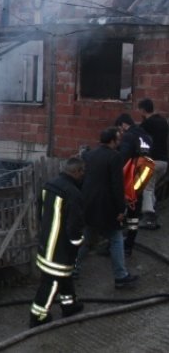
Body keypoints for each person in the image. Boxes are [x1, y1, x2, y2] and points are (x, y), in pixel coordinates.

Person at [76, 127, 137, 289]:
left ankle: (72, 268)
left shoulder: (89, 155)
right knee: (116, 239)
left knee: (88, 238)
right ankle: (121, 276)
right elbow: (117, 185)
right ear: (111, 141)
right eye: (117, 139)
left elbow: (83, 180)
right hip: (106, 207)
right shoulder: (115, 157)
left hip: (89, 204)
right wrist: (121, 209)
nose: (119, 143)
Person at [29, 157, 86, 328]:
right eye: (82, 171)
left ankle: (69, 305)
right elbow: (74, 225)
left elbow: (40, 210)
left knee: (64, 276)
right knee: (52, 282)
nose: (84, 175)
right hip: (60, 249)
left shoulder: (49, 185)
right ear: (76, 172)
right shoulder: (74, 194)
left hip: (46, 243)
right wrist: (77, 243)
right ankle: (37, 316)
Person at [115, 113, 153, 256]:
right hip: (141, 180)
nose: (120, 132)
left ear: (124, 124)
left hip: (128, 180)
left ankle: (115, 244)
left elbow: (122, 159)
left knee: (119, 211)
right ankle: (129, 245)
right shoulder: (147, 137)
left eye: (120, 128)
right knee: (134, 216)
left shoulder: (129, 136)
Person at [138, 98, 168, 230]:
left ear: (143, 110)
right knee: (152, 186)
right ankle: (152, 211)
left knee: (147, 188)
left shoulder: (146, 125)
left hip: (151, 161)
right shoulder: (163, 122)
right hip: (164, 162)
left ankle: (149, 217)